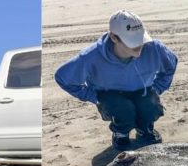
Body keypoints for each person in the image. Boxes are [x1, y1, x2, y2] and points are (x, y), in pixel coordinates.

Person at [55, 10, 178, 150]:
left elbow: (171, 63)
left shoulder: (154, 48)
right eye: (132, 41)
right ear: (114, 37)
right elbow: (63, 78)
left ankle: (145, 130)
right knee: (123, 109)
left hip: (142, 92)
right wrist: (95, 97)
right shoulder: (91, 56)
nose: (139, 45)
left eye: (140, 39)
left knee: (149, 106)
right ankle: (121, 134)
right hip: (111, 96)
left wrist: (157, 88)